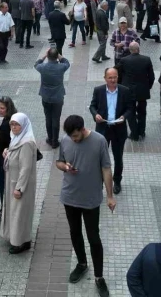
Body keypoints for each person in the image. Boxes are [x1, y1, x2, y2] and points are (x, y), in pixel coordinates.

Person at [57, 115, 116, 297]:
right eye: (71, 137)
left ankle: (99, 277)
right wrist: (65, 167)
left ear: (83, 129)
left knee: (94, 237)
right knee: (74, 232)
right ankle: (82, 264)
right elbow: (59, 162)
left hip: (91, 198)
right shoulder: (66, 139)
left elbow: (106, 168)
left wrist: (110, 196)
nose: (73, 140)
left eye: (76, 136)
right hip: (69, 196)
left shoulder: (99, 141)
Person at [89, 67, 134, 194]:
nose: (113, 80)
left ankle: (117, 181)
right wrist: (95, 115)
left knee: (118, 157)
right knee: (100, 157)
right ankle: (99, 182)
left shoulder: (125, 91)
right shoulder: (98, 90)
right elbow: (93, 106)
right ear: (105, 78)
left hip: (119, 130)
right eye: (110, 78)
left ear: (118, 77)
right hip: (103, 129)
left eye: (115, 77)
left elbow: (130, 108)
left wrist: (124, 117)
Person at [0, 113, 38, 254]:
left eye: (17, 124)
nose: (14, 127)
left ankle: (20, 242)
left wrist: (19, 188)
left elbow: (26, 168)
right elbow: (15, 155)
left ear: (24, 125)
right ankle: (18, 238)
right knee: (15, 211)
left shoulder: (27, 143)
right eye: (12, 124)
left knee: (19, 213)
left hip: (20, 185)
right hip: (13, 182)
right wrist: (7, 152)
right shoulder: (17, 138)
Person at [117, 42, 154, 141]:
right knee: (142, 112)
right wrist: (148, 87)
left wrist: (121, 86)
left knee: (130, 112)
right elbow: (151, 77)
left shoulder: (124, 60)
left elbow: (118, 74)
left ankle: (134, 133)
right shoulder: (146, 59)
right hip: (142, 90)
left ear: (129, 50)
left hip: (128, 90)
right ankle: (142, 131)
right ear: (139, 49)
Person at [35, 48, 71, 148]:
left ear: (48, 56)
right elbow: (67, 62)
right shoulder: (61, 67)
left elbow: (36, 64)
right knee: (56, 118)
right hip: (58, 97)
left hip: (46, 96)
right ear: (56, 57)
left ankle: (50, 138)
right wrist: (60, 56)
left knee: (48, 118)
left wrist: (43, 56)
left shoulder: (42, 67)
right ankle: (55, 140)